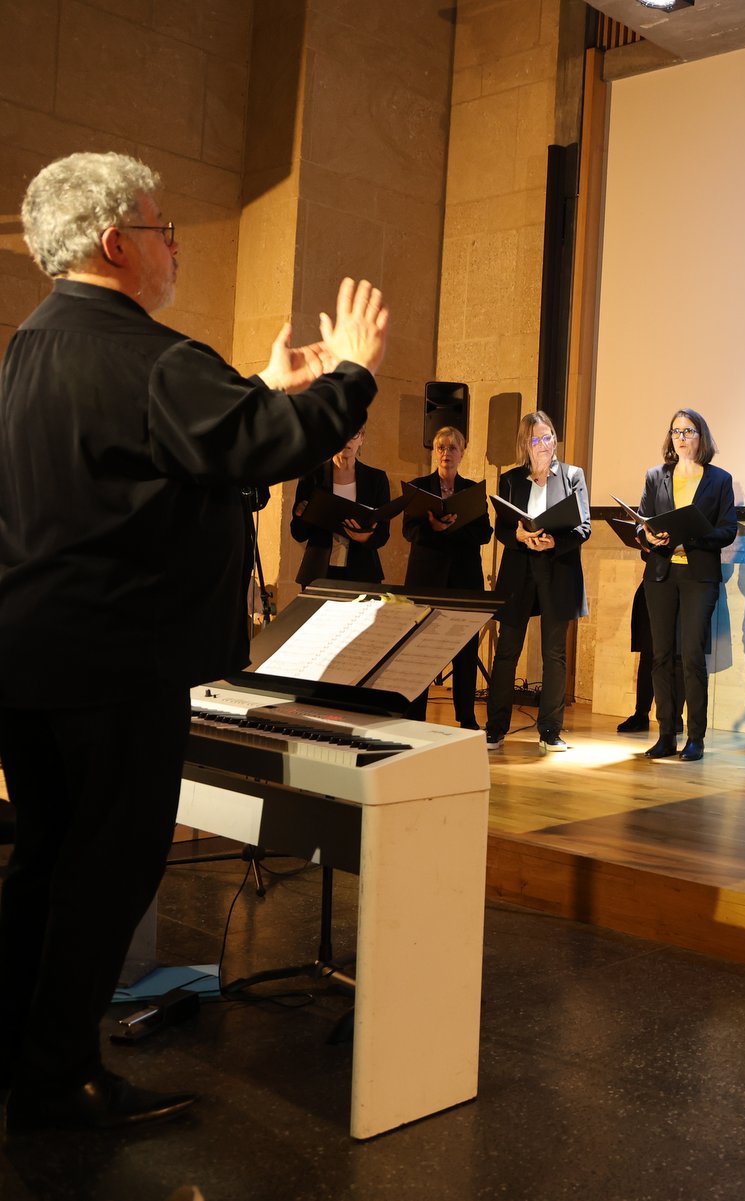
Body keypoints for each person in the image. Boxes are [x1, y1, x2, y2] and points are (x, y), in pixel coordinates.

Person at [0, 151, 387, 1132]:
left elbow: (173, 452)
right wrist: (350, 374)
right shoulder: (148, 355)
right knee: (106, 873)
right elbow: (267, 443)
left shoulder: (30, 346)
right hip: (118, 664)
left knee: (45, 862)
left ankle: (20, 1053)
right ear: (114, 242)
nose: (175, 244)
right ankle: (57, 1084)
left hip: (31, 661)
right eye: (162, 227)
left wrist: (257, 390)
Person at [484, 411, 590, 753]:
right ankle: (495, 729)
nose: (543, 445)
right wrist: (518, 536)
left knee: (554, 653)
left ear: (555, 439)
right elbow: (502, 528)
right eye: (536, 440)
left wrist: (554, 542)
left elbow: (584, 527)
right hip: (520, 569)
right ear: (525, 445)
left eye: (548, 437)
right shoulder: (511, 480)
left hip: (557, 569)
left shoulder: (573, 476)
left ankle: (550, 731)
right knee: (507, 651)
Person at [637, 409, 739, 762]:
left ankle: (695, 737)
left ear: (701, 437)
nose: (681, 437)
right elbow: (641, 523)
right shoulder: (656, 476)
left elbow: (728, 529)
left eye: (689, 431)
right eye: (676, 431)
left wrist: (693, 536)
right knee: (661, 655)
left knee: (692, 656)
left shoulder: (719, 479)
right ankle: (666, 734)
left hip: (699, 576)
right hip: (661, 575)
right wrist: (648, 537)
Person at [402, 425, 492, 729]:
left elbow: (484, 533)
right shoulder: (419, 487)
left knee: (465, 650)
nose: (446, 453)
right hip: (426, 579)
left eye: (453, 447)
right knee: (420, 649)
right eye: (441, 447)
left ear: (462, 453)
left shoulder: (472, 491)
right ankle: (415, 715)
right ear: (434, 452)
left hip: (464, 580)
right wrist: (434, 528)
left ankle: (466, 717)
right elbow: (409, 530)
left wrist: (452, 527)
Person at [289, 426, 390, 585]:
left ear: (362, 439)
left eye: (354, 434)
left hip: (362, 571)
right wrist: (302, 514)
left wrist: (365, 538)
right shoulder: (312, 476)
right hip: (318, 572)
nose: (347, 440)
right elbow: (298, 533)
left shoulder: (376, 479)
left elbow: (383, 533)